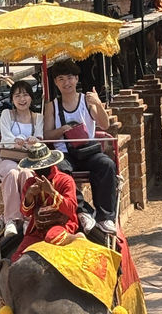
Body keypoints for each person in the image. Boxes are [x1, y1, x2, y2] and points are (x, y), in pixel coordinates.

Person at [44, 59, 118, 236]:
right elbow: (47, 135)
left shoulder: (87, 100)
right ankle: (82, 210)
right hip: (64, 152)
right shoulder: (52, 106)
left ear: (77, 79)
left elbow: (105, 125)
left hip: (88, 150)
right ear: (55, 82)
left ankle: (105, 216)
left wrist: (99, 104)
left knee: (106, 164)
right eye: (61, 79)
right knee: (60, 171)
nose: (66, 83)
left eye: (70, 78)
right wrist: (62, 129)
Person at [11, 142, 80, 262]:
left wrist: (52, 192)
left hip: (62, 226)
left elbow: (71, 209)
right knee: (17, 258)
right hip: (37, 230)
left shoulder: (65, 180)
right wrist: (29, 196)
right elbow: (26, 213)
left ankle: (77, 238)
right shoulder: (30, 183)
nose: (40, 170)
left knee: (52, 237)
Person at [0, 80, 44, 237]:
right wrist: (16, 141)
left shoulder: (38, 117)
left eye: (25, 95)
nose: (22, 99)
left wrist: (32, 141)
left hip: (28, 159)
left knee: (26, 174)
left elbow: (39, 138)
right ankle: (10, 219)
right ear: (12, 100)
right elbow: (6, 137)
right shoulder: (6, 115)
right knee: (13, 173)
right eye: (17, 95)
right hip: (8, 158)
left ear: (31, 98)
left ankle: (27, 217)